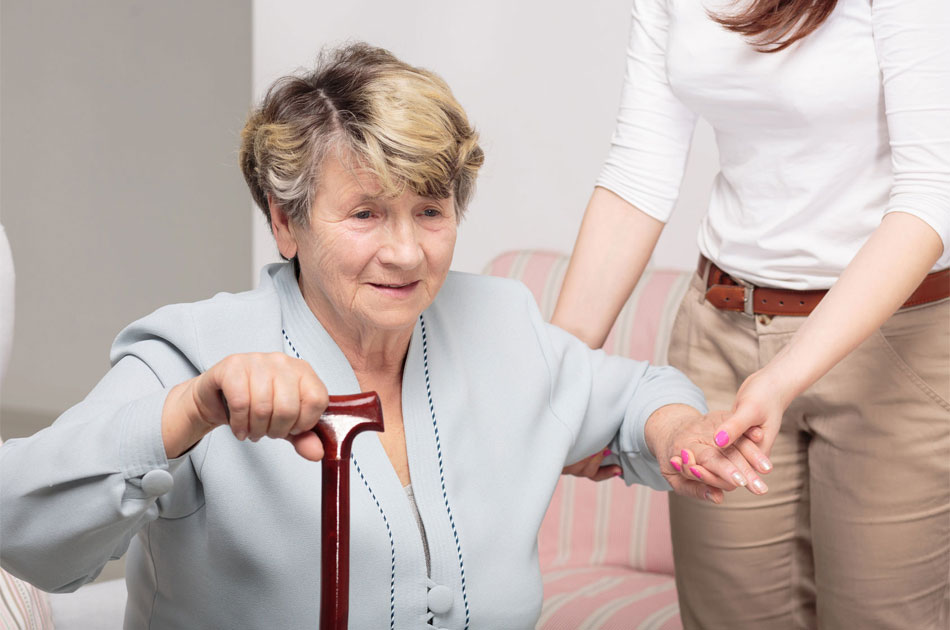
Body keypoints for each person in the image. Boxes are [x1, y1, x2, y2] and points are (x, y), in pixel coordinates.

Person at [0, 44, 766, 629]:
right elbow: (21, 520)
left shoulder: (502, 325)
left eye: (430, 212)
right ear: (284, 220)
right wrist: (193, 410)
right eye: (366, 213)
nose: (406, 252)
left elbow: (637, 399)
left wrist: (681, 429)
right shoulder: (194, 352)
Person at [552, 1, 949, 628]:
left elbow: (932, 196)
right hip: (722, 332)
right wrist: (558, 379)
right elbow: (638, 172)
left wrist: (782, 377)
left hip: (894, 349)